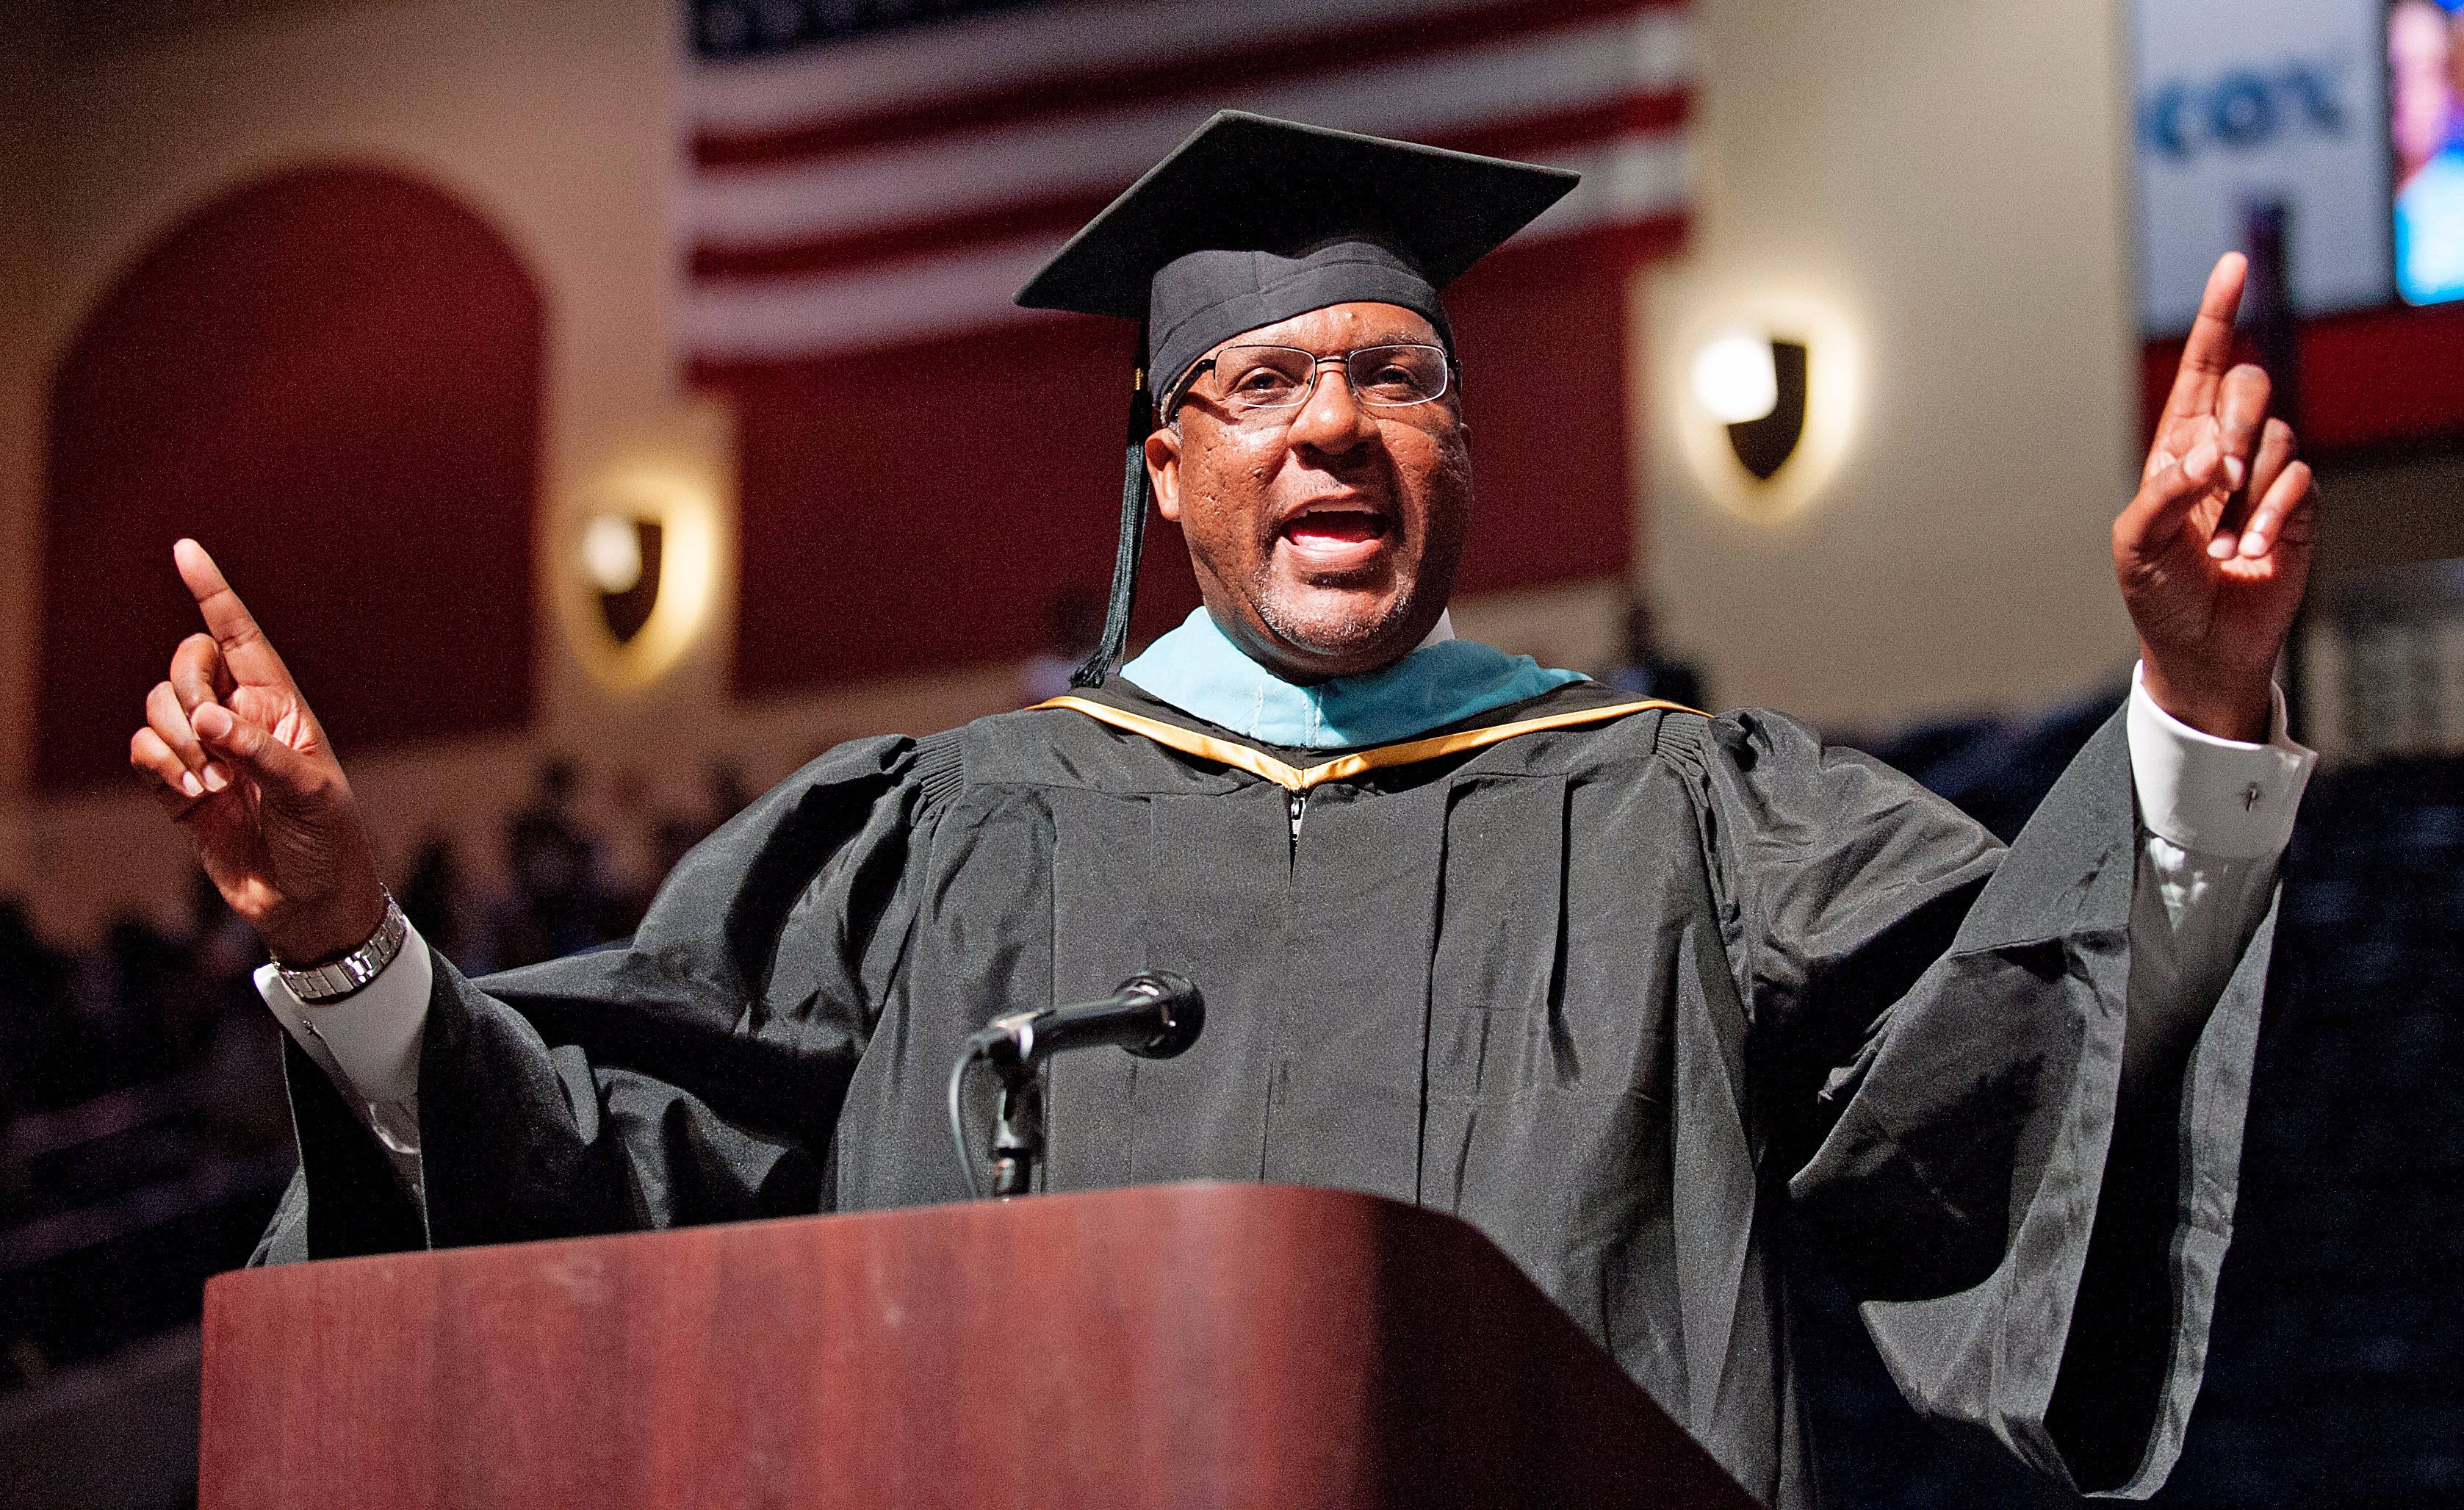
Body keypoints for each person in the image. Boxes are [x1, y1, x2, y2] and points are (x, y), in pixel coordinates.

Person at [127, 114, 2319, 1506]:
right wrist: (342, 934)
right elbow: (586, 1177)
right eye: (1259, 382)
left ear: (1464, 458)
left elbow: (2005, 1057)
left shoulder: (1669, 813)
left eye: (1397, 376)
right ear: (1161, 469)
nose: (1336, 427)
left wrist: (2192, 703)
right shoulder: (934, 838)